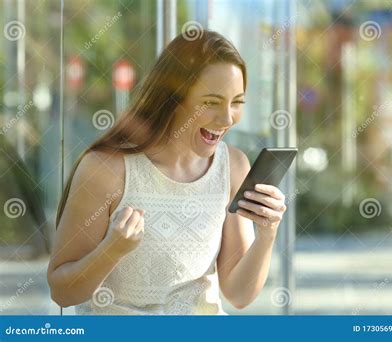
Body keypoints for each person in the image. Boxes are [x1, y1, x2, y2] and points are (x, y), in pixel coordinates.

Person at [47, 29, 287, 315]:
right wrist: (111, 249)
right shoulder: (106, 169)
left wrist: (267, 235)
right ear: (174, 98)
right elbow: (62, 292)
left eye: (236, 102)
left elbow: (239, 294)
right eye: (211, 102)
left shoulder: (233, 166)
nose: (226, 119)